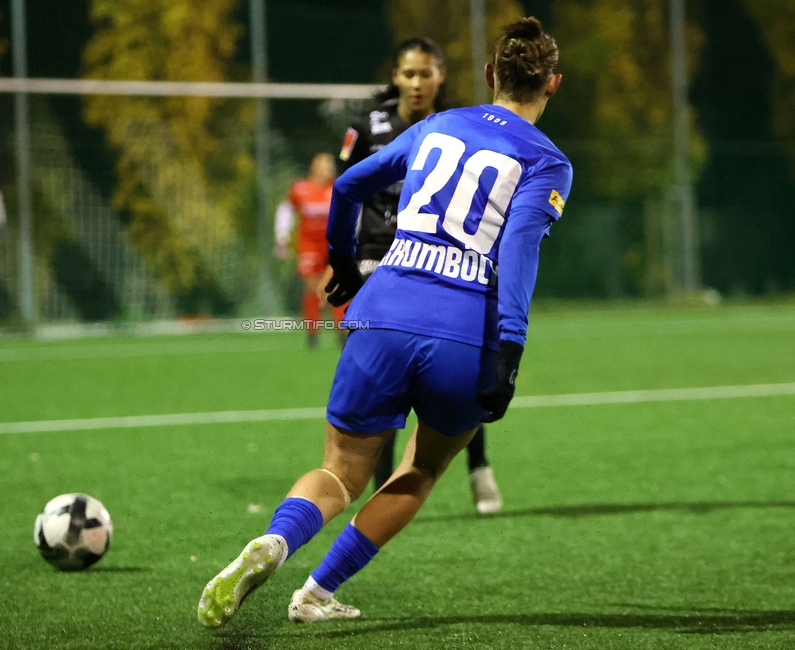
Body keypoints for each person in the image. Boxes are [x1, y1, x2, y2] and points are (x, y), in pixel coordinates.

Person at [198, 17, 570, 627]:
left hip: (381, 315)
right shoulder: (549, 162)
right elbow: (518, 249)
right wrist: (510, 351)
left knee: (340, 470)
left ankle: (275, 542)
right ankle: (316, 594)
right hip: (462, 334)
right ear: (552, 84)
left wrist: (343, 261)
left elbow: (347, 185)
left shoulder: (436, 127)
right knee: (420, 468)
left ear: (487, 75)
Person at [336, 37, 502, 513]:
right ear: (395, 77)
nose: (415, 83)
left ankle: (479, 466)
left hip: (435, 259)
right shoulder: (367, 128)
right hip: (375, 256)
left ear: (440, 76)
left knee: (458, 360)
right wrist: (341, 255)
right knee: (381, 365)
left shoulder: (454, 129)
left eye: (425, 74)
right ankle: (383, 483)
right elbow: (344, 191)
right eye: (407, 74)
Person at [274, 152, 346, 348]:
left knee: (337, 287)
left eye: (330, 164)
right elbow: (286, 210)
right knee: (313, 288)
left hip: (332, 244)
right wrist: (282, 237)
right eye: (325, 164)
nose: (330, 168)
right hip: (309, 246)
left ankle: (342, 332)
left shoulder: (338, 187)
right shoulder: (301, 189)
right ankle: (312, 332)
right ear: (314, 167)